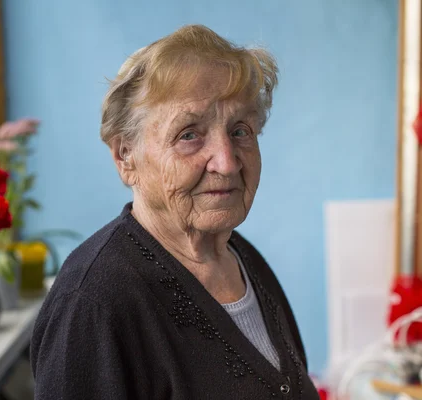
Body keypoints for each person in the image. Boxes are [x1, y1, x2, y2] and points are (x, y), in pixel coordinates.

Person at [31, 24, 319, 399]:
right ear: (125, 156)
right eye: (189, 135)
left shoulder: (243, 258)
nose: (227, 163)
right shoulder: (92, 304)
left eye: (240, 131)